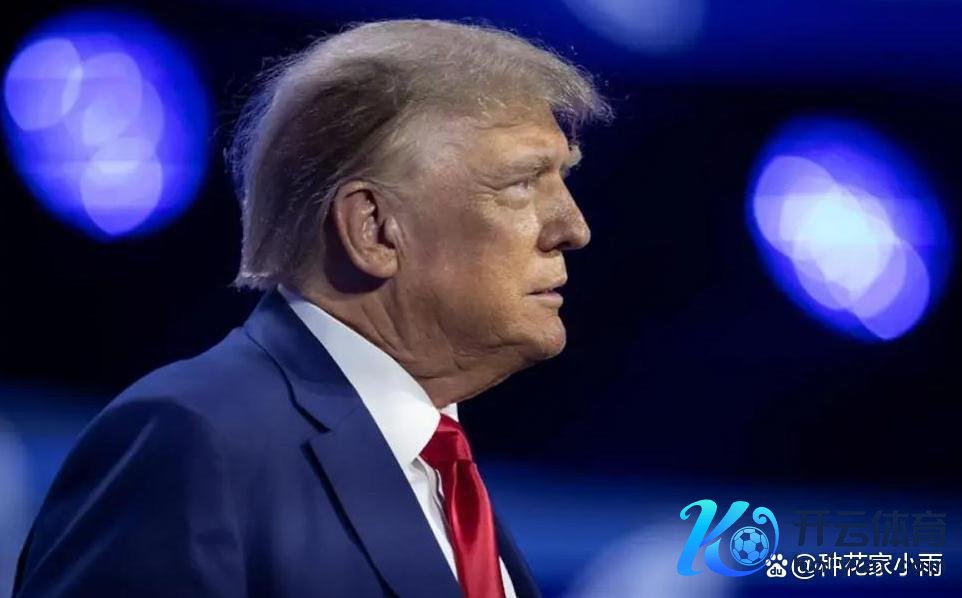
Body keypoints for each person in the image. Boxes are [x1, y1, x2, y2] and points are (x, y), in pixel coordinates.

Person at [13, 19, 610, 598]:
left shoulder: (441, 474)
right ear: (373, 228)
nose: (574, 227)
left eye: (562, 179)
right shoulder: (191, 442)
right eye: (521, 184)